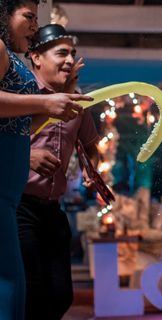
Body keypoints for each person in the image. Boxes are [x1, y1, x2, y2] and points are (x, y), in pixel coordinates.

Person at [0, 0, 89, 320]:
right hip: (11, 196)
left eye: (36, 18)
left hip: (9, 194)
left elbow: (18, 124)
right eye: (27, 17)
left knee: (21, 291)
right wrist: (43, 103)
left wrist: (57, 105)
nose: (33, 26)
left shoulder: (12, 56)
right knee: (12, 289)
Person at [17, 24, 100, 320]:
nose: (69, 59)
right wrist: (27, 156)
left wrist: (93, 169)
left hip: (53, 208)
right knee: (31, 295)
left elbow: (91, 145)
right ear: (37, 58)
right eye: (61, 52)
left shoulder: (76, 101)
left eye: (72, 54)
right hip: (18, 207)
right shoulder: (20, 95)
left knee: (61, 296)